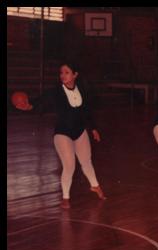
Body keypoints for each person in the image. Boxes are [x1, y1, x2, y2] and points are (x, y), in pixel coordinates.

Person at [19, 62, 106, 209]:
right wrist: (29, 105)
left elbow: (87, 112)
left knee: (86, 161)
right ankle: (65, 198)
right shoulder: (56, 92)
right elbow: (40, 100)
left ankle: (95, 186)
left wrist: (94, 129)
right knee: (69, 165)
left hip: (80, 131)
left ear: (75, 74)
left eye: (66, 72)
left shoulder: (82, 90)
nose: (63, 75)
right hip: (62, 133)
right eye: (61, 73)